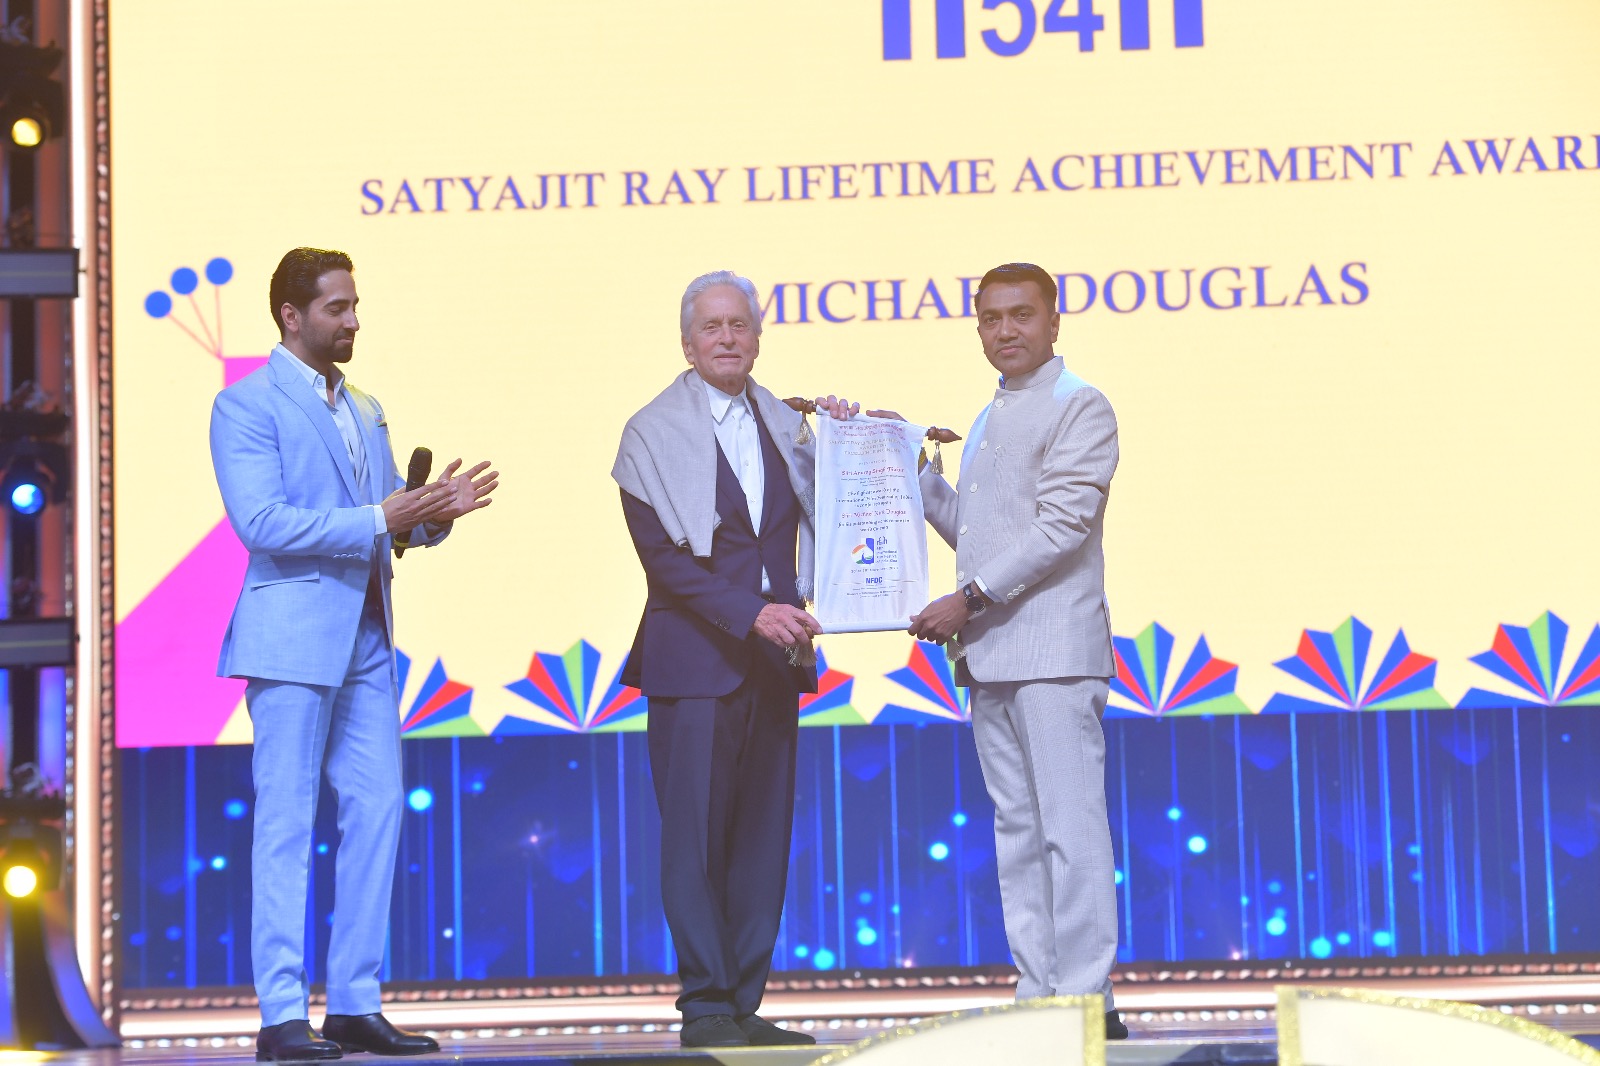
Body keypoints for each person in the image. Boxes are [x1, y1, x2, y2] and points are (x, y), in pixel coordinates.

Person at [210, 247, 497, 1061]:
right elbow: (262, 523)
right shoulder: (245, 405)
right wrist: (382, 517)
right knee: (286, 822)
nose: (353, 321)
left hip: (368, 632)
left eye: (354, 305)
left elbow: (387, 524)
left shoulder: (365, 406)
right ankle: (281, 1016)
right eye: (337, 308)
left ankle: (354, 1003)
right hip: (292, 639)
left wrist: (430, 515)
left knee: (377, 811)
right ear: (291, 316)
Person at [611, 270, 853, 1048]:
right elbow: (665, 565)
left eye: (738, 325)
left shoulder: (790, 426)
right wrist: (752, 614)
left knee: (761, 842)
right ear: (688, 343)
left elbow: (835, 515)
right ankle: (705, 1002)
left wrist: (848, 442)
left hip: (775, 662)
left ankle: (744, 1001)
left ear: (756, 338)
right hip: (694, 662)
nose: (726, 338)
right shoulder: (649, 433)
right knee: (695, 841)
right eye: (711, 327)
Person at [904, 262, 1127, 1040]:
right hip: (992, 652)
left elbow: (1061, 528)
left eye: (1021, 315)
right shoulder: (990, 416)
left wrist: (966, 601)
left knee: (1070, 828)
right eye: (992, 318)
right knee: (1019, 835)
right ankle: (1039, 992)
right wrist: (899, 460)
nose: (1006, 330)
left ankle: (1087, 998)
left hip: (1055, 653)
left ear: (1054, 321)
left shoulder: (1080, 405)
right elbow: (978, 536)